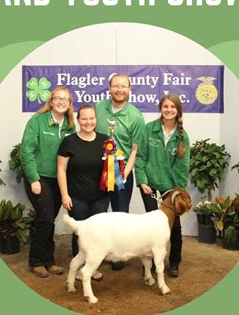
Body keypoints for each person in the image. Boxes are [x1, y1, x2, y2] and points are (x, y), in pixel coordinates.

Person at [20, 87, 76, 278]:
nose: (61, 102)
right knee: (45, 218)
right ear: (51, 101)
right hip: (39, 178)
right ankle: (36, 261)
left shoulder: (70, 126)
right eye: (58, 98)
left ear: (69, 105)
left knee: (48, 220)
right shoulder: (38, 121)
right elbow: (26, 151)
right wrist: (34, 179)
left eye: (65, 100)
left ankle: (49, 260)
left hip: (58, 180)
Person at [135, 93, 190, 278]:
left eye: (172, 107)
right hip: (149, 185)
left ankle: (174, 262)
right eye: (165, 106)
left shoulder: (183, 136)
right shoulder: (148, 129)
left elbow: (182, 166)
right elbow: (140, 157)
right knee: (150, 226)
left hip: (170, 188)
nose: (169, 110)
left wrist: (177, 190)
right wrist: (142, 180)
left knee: (174, 227)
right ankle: (148, 265)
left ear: (178, 111)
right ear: (160, 108)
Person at [95, 73, 145, 270]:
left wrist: (125, 173)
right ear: (109, 88)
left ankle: (118, 256)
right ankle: (98, 253)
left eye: (123, 86)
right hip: (97, 171)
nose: (119, 89)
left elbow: (135, 150)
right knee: (97, 213)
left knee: (120, 215)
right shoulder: (99, 108)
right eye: (115, 86)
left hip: (122, 171)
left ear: (130, 89)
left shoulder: (136, 117)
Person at [57, 105, 109, 281]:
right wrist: (65, 194)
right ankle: (79, 268)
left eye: (91, 118)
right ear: (78, 120)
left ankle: (91, 268)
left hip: (100, 198)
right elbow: (61, 170)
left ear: (96, 119)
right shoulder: (69, 142)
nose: (88, 122)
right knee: (80, 233)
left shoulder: (105, 141)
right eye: (84, 119)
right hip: (77, 197)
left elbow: (111, 168)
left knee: (97, 234)